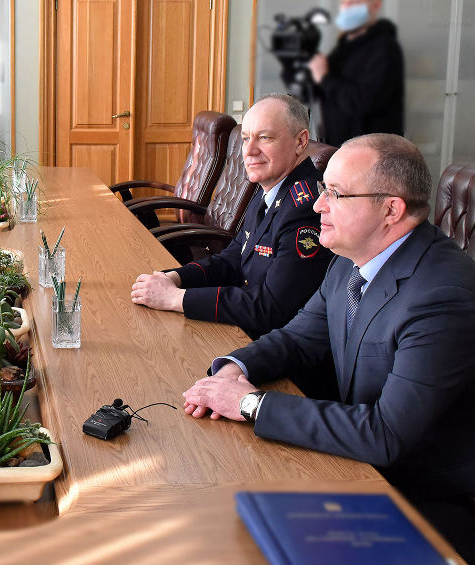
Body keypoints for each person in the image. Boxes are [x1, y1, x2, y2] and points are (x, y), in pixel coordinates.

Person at [182, 134, 475, 561]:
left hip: (420, 493)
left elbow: (386, 434)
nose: (318, 204)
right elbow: (298, 337)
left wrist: (249, 404)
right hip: (356, 464)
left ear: (391, 210)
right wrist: (234, 369)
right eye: (323, 189)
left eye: (336, 193)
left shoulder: (441, 296)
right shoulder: (350, 259)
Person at [131, 94, 333, 340]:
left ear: (300, 141)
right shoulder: (272, 187)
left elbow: (270, 308)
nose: (249, 151)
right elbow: (234, 258)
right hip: (244, 328)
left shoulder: (307, 208)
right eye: (246, 138)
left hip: (272, 345)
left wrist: (176, 298)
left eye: (265, 138)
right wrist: (175, 277)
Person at [309, 0, 404, 146]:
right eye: (344, 2)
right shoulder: (343, 47)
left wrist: (324, 78)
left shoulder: (384, 48)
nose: (347, 6)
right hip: (340, 147)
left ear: (376, 5)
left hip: (371, 151)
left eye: (354, 2)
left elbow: (364, 101)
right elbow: (321, 91)